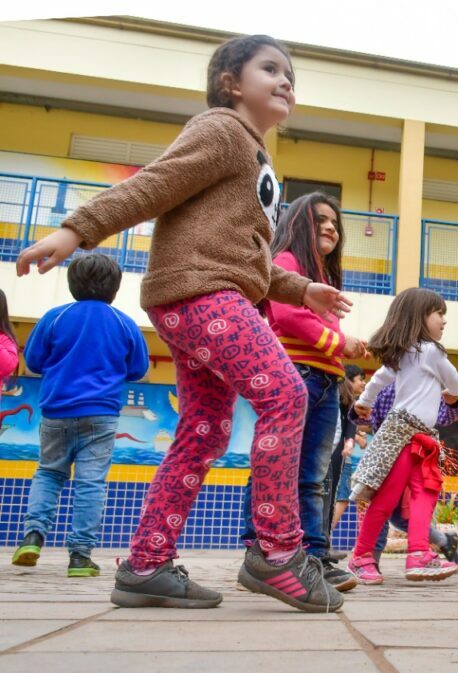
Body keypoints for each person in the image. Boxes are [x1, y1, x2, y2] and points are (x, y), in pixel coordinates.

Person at [15, 34, 351, 612]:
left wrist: (301, 287)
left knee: (203, 432)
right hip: (202, 295)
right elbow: (154, 183)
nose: (286, 80)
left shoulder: (256, 158)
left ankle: (145, 565)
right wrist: (78, 229)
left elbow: (244, 256)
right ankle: (276, 551)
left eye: (291, 72)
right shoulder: (221, 130)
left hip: (205, 294)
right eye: (270, 68)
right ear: (230, 82)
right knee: (285, 395)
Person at [239, 193, 362, 592]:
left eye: (335, 223)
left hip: (325, 380)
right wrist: (338, 343)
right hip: (298, 375)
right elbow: (289, 317)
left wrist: (345, 344)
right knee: (279, 466)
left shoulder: (322, 276)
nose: (331, 227)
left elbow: (324, 331)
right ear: (298, 224)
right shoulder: (289, 264)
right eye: (321, 220)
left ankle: (314, 554)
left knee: (314, 474)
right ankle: (259, 552)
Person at [11, 255, 149, 577]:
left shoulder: (55, 317)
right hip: (101, 415)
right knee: (91, 483)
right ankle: (79, 556)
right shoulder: (123, 322)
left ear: (73, 285)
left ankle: (33, 537)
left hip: (56, 411)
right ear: (115, 288)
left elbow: (33, 361)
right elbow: (138, 369)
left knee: (48, 473)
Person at [347, 288, 458, 582]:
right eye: (439, 314)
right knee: (423, 494)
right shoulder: (431, 351)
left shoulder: (402, 356)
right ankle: (415, 555)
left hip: (411, 434)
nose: (444, 321)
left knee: (390, 497)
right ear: (419, 317)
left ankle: (368, 557)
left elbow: (377, 382)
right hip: (411, 436)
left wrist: (363, 403)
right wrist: (452, 396)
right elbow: (455, 382)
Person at [327, 364, 368, 549]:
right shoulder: (331, 392)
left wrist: (351, 440)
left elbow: (349, 423)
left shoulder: (350, 402)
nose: (364, 383)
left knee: (333, 494)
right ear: (349, 379)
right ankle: (321, 538)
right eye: (360, 379)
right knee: (331, 495)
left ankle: (323, 539)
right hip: (326, 451)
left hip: (339, 454)